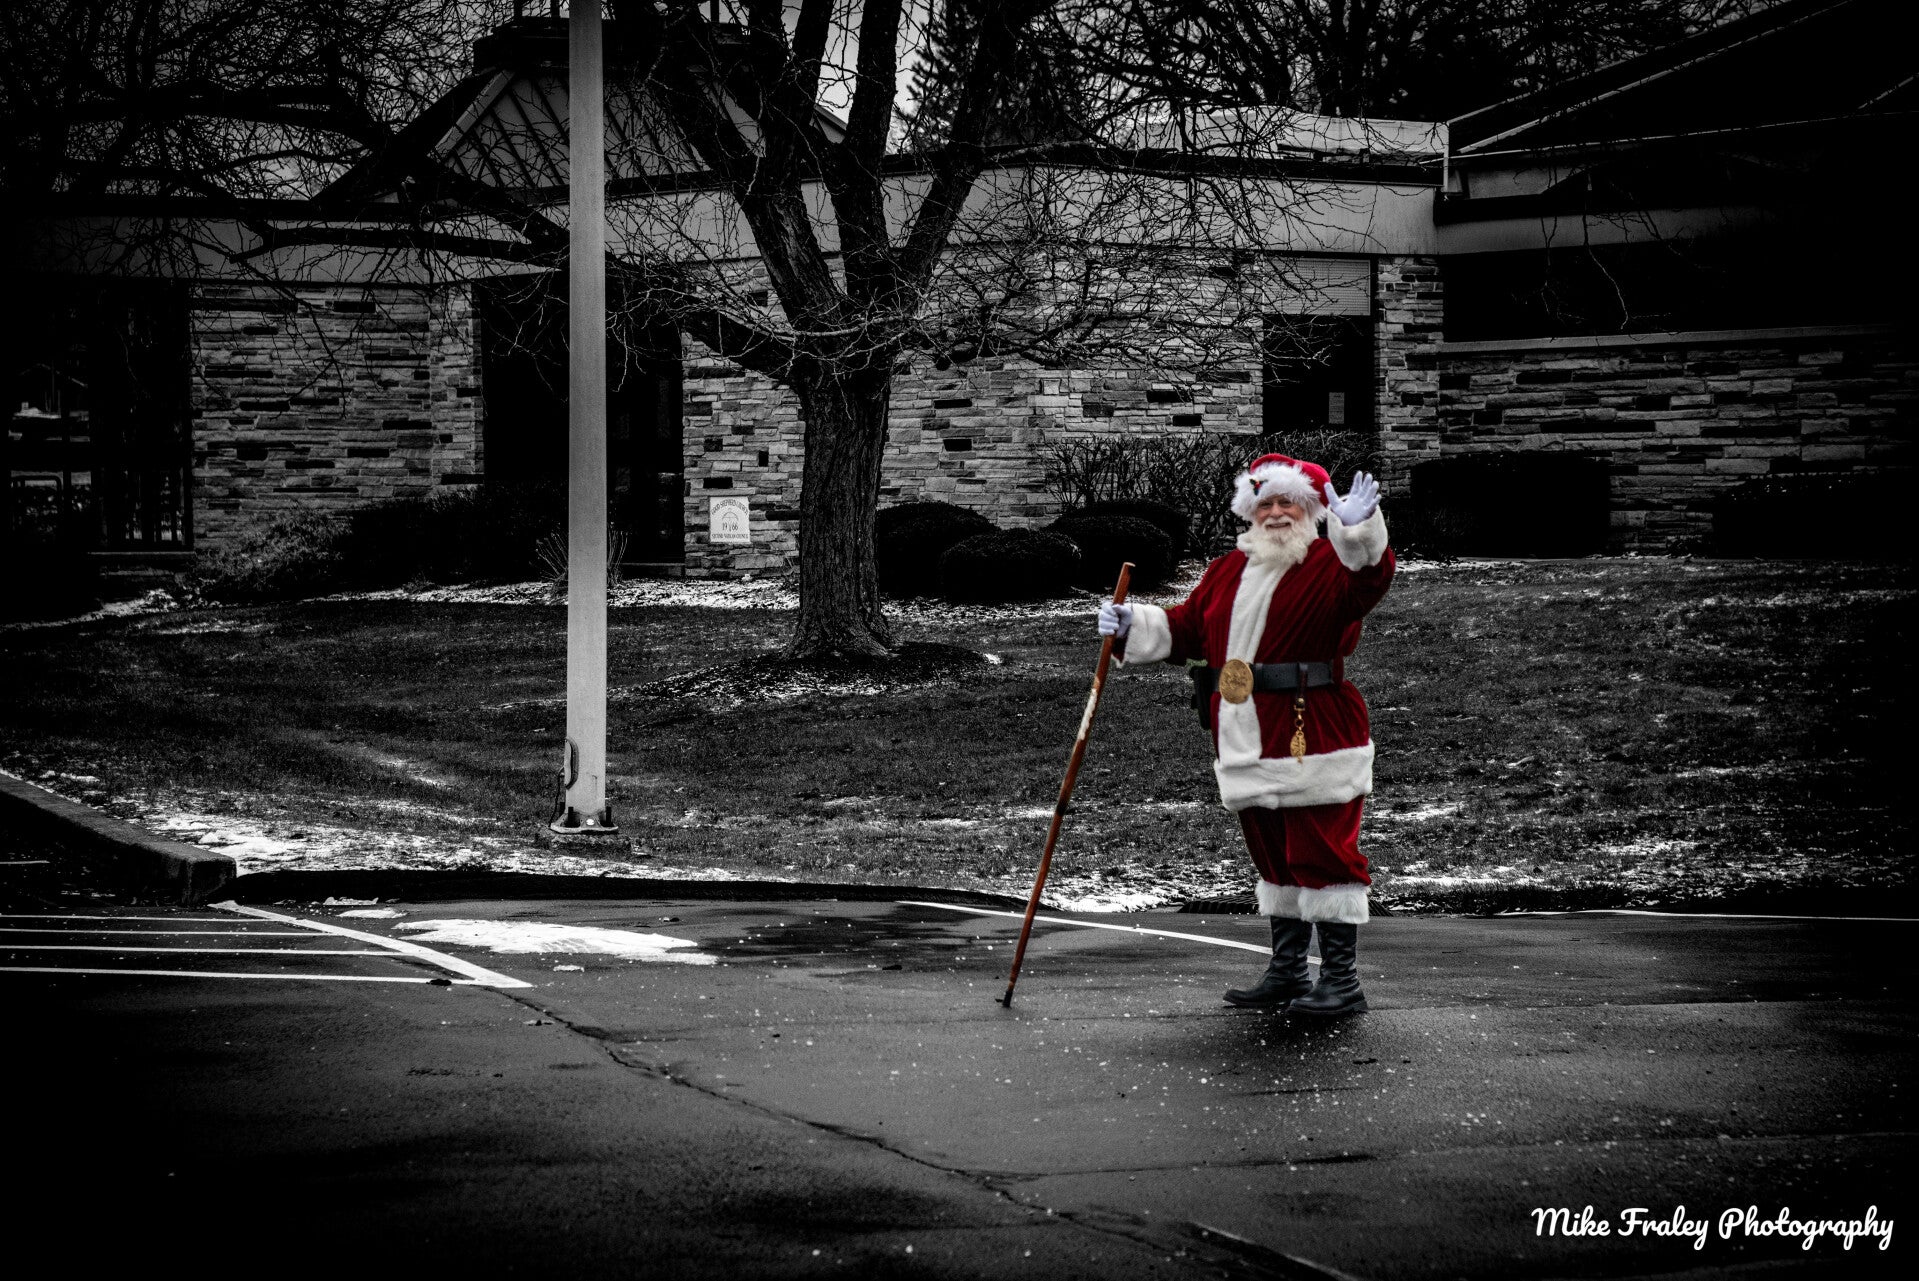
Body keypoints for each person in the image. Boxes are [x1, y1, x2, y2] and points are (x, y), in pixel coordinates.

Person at [1097, 453, 1393, 1015]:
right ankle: (1287, 972)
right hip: (1244, 733)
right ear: (1249, 511)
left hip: (1313, 730)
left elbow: (1370, 575)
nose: (1277, 513)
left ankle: (1342, 981)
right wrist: (1135, 623)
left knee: (1323, 852)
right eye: (1266, 503)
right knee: (1274, 856)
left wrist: (1357, 529)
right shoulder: (1227, 569)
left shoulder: (1331, 562)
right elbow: (1189, 629)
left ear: (1311, 510)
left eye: (1290, 502)